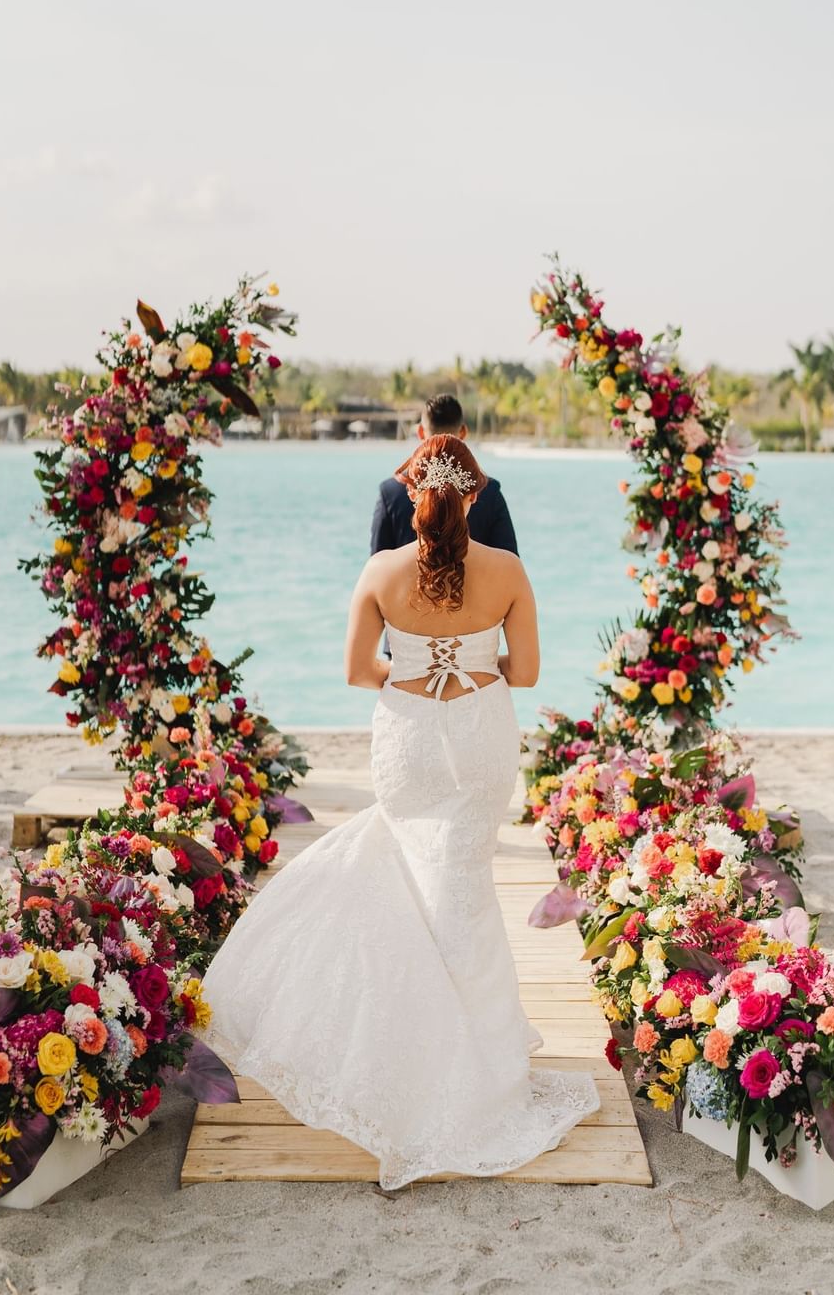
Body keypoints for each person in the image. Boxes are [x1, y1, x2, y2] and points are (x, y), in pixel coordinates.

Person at [201, 434, 599, 1188]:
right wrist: (469, 660)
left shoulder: (380, 572)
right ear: (474, 495)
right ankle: (470, 1063)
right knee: (466, 889)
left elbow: (357, 671)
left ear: (409, 491)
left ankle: (415, 1051)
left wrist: (417, 663)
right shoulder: (508, 571)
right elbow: (530, 672)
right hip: (480, 733)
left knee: (411, 876)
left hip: (411, 739)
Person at [370, 393, 518, 555]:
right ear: (463, 432)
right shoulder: (489, 490)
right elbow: (508, 556)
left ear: (420, 432)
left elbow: (378, 557)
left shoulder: (390, 492)